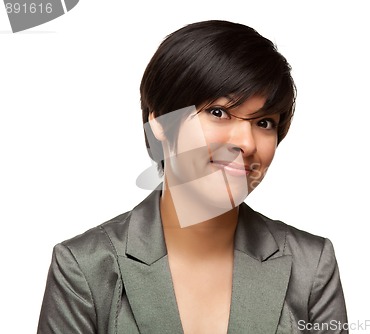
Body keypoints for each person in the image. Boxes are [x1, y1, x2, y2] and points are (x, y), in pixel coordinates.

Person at [37, 20, 348, 334]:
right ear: (159, 120)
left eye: (264, 122)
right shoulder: (85, 266)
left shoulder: (310, 265)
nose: (247, 142)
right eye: (218, 112)